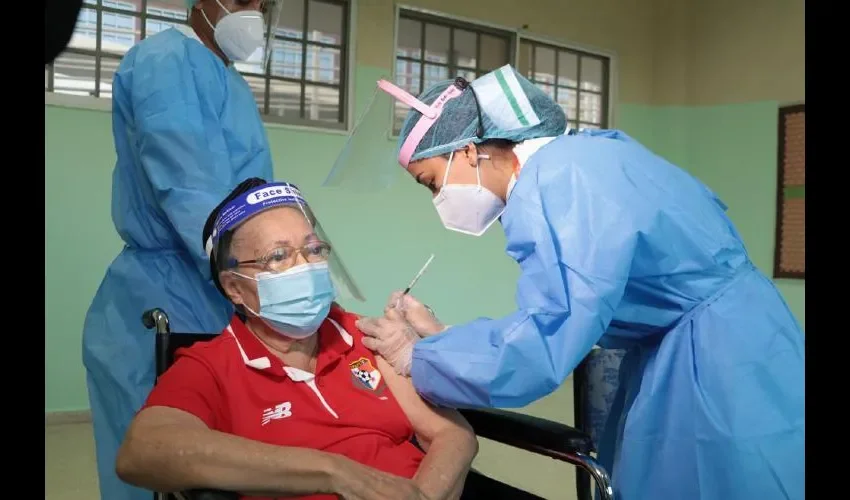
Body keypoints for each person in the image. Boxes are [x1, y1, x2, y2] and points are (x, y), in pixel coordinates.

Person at [351, 65, 805, 499]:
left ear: (468, 151)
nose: (439, 200)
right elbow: (576, 310)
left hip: (718, 364)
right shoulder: (584, 156)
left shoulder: (561, 181)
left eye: (432, 183)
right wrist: (447, 339)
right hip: (731, 336)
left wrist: (419, 357)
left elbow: (546, 339)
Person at [115, 178, 480, 500]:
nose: (305, 266)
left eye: (313, 249)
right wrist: (335, 473)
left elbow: (453, 436)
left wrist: (423, 495)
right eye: (278, 256)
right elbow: (143, 452)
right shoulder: (211, 366)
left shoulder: (363, 336)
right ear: (234, 287)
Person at [82, 2, 276, 499]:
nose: (252, 12)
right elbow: (191, 189)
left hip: (221, 291)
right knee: (161, 469)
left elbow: (252, 197)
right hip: (165, 297)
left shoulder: (231, 82)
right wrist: (261, 271)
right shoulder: (165, 62)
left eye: (263, 3)